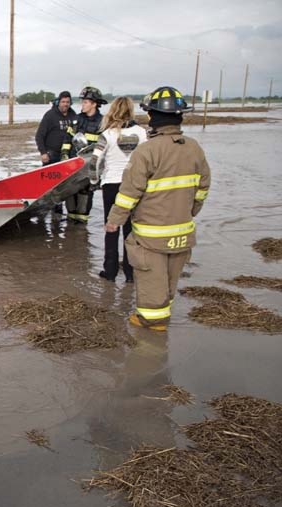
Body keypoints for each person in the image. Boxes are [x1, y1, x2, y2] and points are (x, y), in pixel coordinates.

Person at [106, 86, 210, 332]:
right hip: (182, 233)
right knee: (170, 279)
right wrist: (190, 211)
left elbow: (129, 192)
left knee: (152, 280)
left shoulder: (147, 151)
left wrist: (114, 220)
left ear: (152, 117)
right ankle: (162, 316)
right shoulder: (194, 148)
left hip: (152, 235)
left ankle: (151, 329)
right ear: (180, 116)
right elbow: (203, 187)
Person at [88, 96, 148, 282]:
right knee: (132, 231)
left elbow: (94, 161)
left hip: (112, 185)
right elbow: (149, 160)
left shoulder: (107, 134)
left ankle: (110, 271)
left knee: (111, 228)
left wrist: (93, 182)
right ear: (131, 111)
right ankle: (131, 274)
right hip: (136, 185)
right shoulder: (142, 133)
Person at [63, 86, 107, 223]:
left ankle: (81, 228)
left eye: (86, 102)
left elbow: (104, 145)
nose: (83, 105)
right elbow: (67, 139)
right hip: (72, 163)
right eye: (82, 102)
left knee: (86, 193)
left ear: (94, 104)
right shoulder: (76, 120)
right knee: (69, 192)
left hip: (90, 165)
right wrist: (64, 155)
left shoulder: (102, 122)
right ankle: (71, 221)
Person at [35, 90, 77, 166]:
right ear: (59, 102)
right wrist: (43, 153)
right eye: (63, 102)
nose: (65, 104)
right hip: (52, 155)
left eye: (67, 102)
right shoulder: (50, 115)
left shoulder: (73, 114)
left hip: (68, 154)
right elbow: (39, 135)